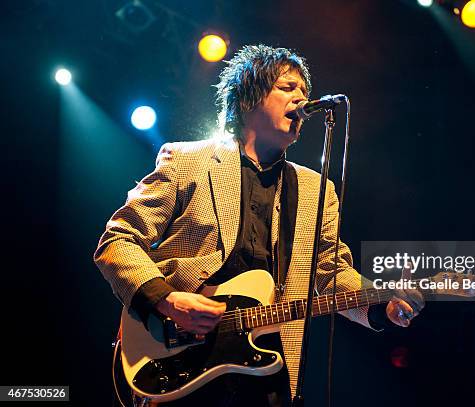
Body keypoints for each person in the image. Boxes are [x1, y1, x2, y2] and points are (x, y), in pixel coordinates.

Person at [94, 44, 424, 406]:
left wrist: (381, 304)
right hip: (181, 355)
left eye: (305, 91)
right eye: (287, 86)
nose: (301, 98)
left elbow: (329, 271)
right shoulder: (187, 161)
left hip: (268, 371)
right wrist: (167, 300)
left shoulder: (316, 189)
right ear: (249, 98)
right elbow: (118, 240)